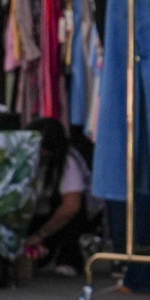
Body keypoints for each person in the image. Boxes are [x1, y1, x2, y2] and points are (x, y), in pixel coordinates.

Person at [23, 117, 97, 276]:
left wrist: (39, 235)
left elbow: (71, 207)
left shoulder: (68, 162)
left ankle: (69, 257)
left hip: (71, 214)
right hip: (42, 210)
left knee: (71, 212)